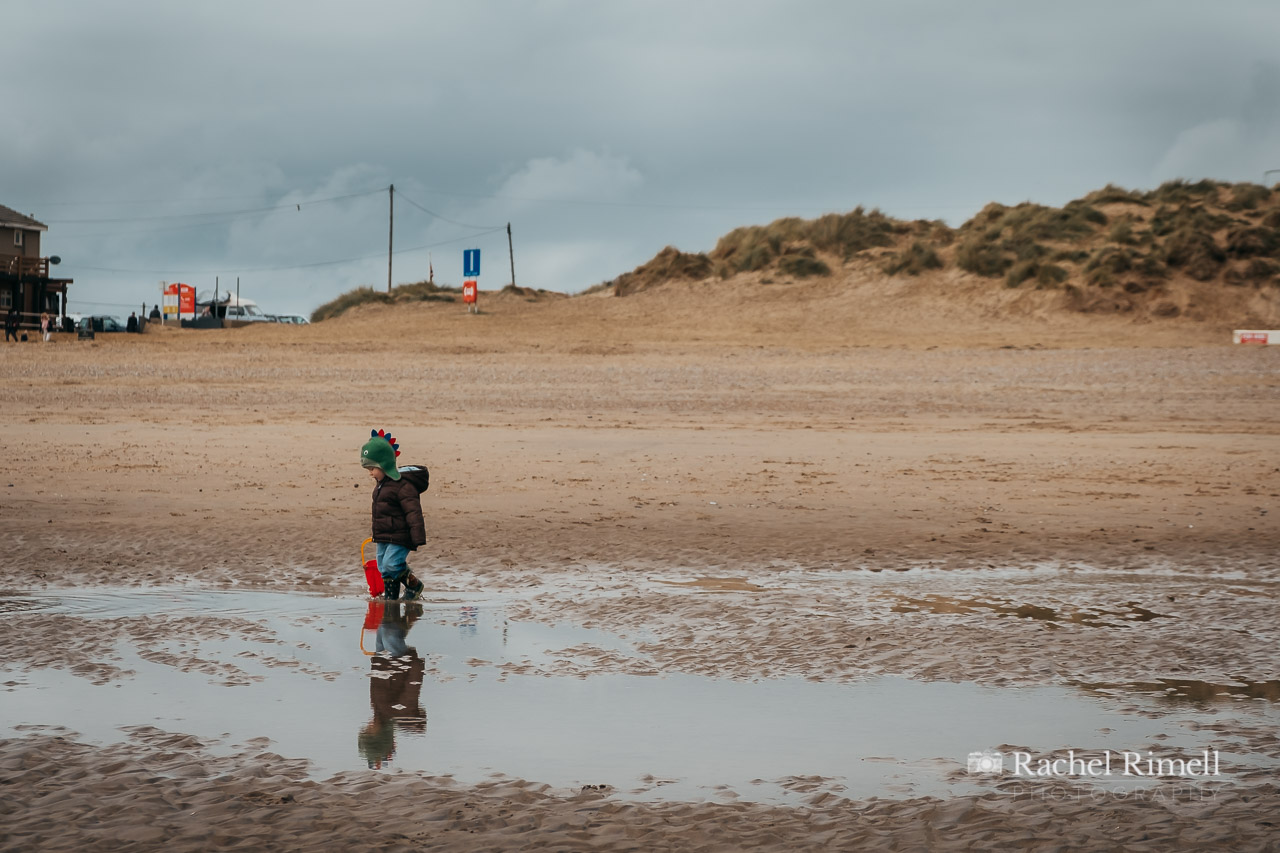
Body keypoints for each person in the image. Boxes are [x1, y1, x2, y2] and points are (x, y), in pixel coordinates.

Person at [361, 429, 428, 600]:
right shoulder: (381, 484)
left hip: (401, 535)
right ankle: (391, 600)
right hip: (384, 535)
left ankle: (414, 585)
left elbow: (413, 511)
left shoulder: (403, 486)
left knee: (392, 564)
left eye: (373, 468)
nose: (370, 473)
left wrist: (417, 535)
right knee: (383, 567)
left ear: (384, 465)